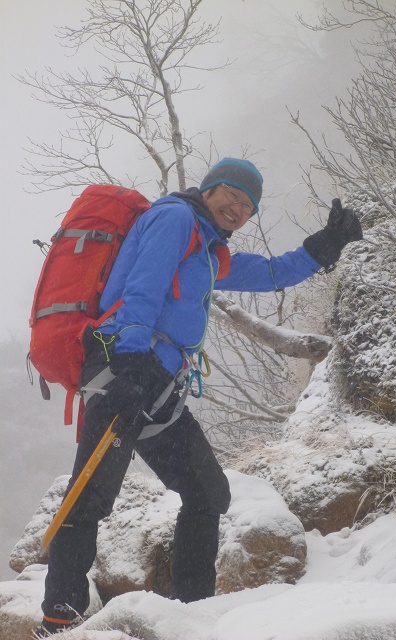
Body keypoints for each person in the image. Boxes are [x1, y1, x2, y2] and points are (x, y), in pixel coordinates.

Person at [35, 157, 362, 636]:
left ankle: (190, 614)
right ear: (210, 189)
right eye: (233, 195)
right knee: (89, 497)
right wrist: (129, 363)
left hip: (159, 386)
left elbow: (269, 272)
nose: (239, 208)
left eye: (249, 206)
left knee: (207, 492)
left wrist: (325, 246)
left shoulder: (206, 249)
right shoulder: (175, 219)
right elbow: (142, 286)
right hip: (122, 373)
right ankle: (57, 620)